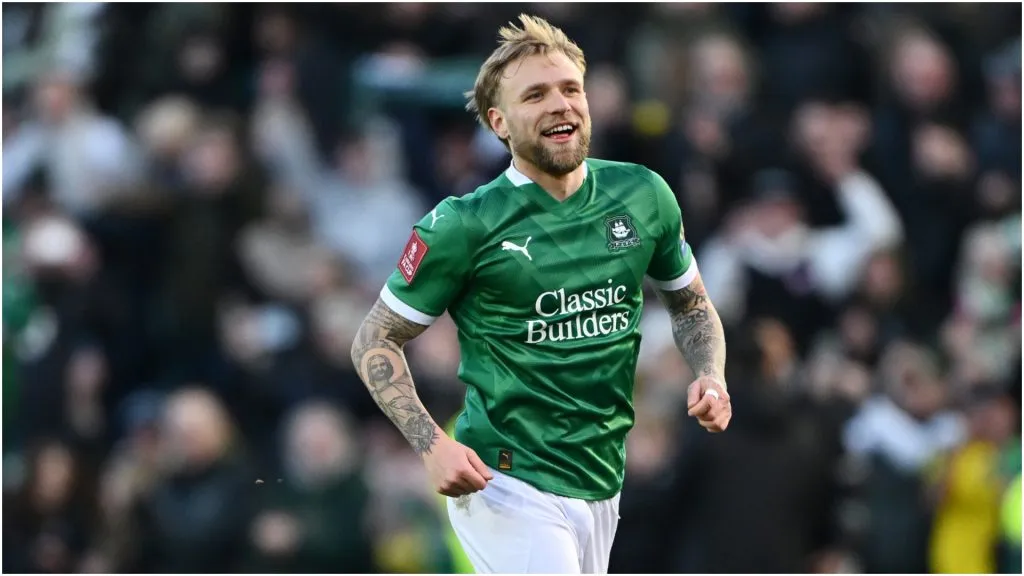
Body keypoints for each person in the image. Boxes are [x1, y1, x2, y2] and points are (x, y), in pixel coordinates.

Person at [350, 14, 731, 574]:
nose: (560, 104)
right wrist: (431, 444)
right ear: (499, 122)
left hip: (601, 478)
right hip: (506, 481)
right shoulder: (464, 224)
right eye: (536, 95)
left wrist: (711, 374)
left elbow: (691, 304)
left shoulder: (643, 194)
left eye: (570, 88)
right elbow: (374, 338)